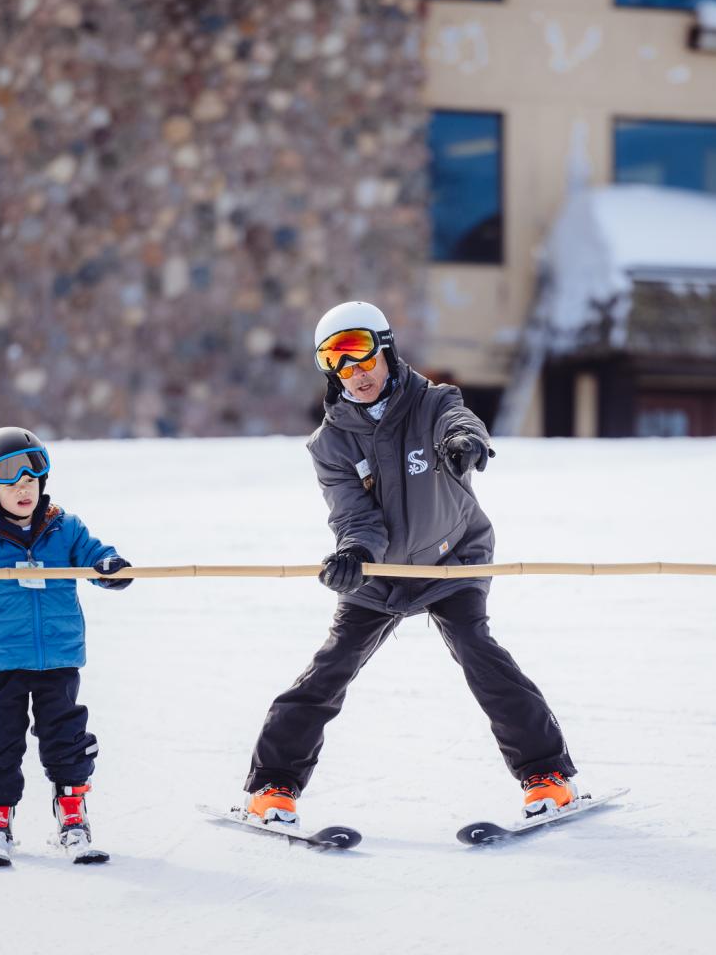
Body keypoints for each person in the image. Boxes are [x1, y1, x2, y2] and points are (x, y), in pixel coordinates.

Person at [241, 301, 578, 825]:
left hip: (452, 556)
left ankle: (547, 774)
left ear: (387, 349)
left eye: (361, 354)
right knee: (331, 667)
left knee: (476, 649)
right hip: (380, 572)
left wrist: (464, 442)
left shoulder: (432, 402)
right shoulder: (330, 443)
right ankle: (273, 787)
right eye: (336, 360)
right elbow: (354, 517)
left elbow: (458, 419)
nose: (354, 372)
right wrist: (354, 556)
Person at [0, 426, 134, 866]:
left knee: (67, 738)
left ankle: (73, 815)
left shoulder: (66, 528)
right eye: (11, 482)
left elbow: (95, 556)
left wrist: (109, 567)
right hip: (4, 659)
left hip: (58, 656)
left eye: (31, 480)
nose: (24, 489)